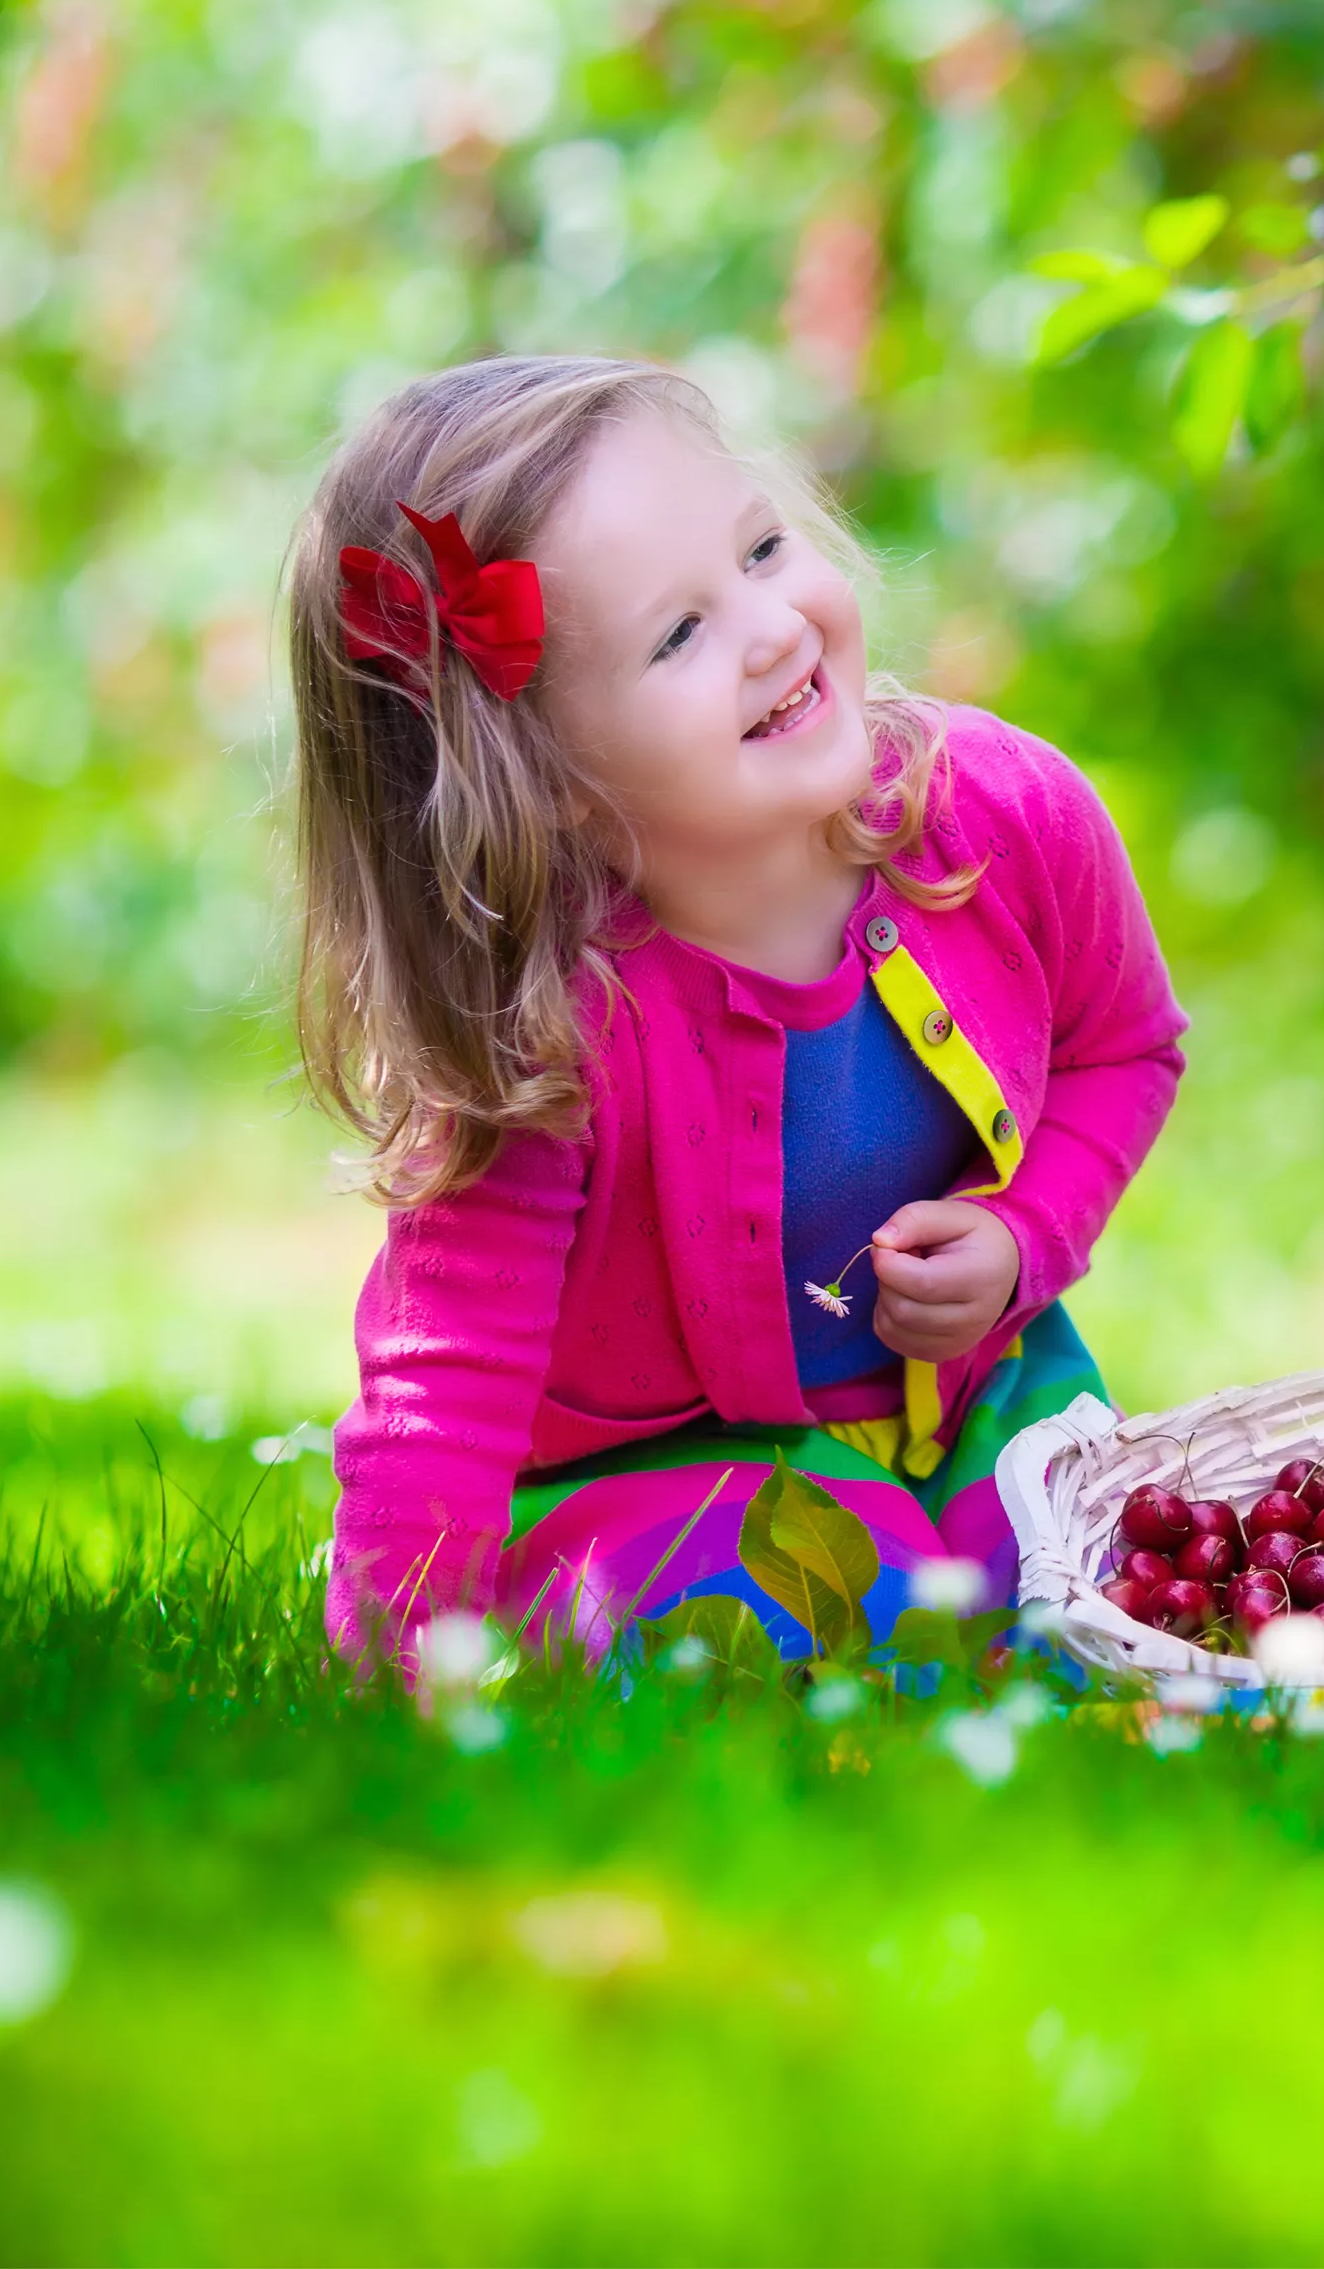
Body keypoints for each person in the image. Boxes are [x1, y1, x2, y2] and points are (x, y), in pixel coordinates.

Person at [289, 357, 1183, 1670]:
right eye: (678, 633)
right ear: (546, 781)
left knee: (1119, 1574)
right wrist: (402, 1651)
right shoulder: (548, 1018)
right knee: (833, 1604)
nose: (772, 627)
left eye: (762, 548)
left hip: (980, 1399)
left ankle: (970, 1577)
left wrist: (1022, 1236)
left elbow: (1125, 1046)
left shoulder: (1002, 814)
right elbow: (446, 1388)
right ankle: (712, 1596)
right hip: (667, 1461)